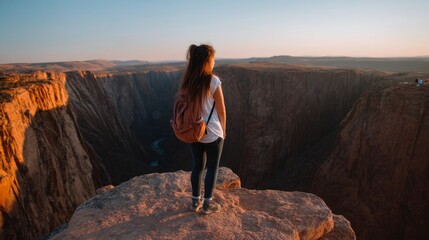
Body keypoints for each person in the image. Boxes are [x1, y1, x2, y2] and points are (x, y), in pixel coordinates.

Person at [177, 44, 226, 214]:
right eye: (213, 59)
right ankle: (207, 204)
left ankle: (194, 202)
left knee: (197, 165)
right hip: (212, 132)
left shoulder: (188, 82)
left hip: (194, 132)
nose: (214, 62)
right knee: (212, 167)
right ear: (207, 61)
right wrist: (224, 131)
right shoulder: (213, 80)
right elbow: (221, 110)